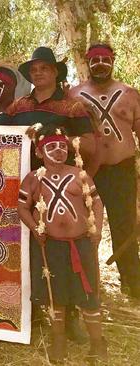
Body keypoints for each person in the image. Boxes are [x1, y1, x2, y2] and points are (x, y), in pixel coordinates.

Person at [0, 46, 96, 342]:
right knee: (34, 248)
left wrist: (53, 139)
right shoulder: (18, 107)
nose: (38, 73)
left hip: (60, 188)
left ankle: (72, 317)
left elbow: (90, 144)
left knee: (65, 251)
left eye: (44, 68)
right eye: (33, 70)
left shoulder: (72, 107)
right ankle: (40, 312)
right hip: (28, 186)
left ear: (55, 72)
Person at [18, 125, 106, 362]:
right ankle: (58, 341)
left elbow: (96, 203)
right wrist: (36, 229)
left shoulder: (80, 174)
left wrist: (96, 227)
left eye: (62, 146)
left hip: (81, 243)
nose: (58, 151)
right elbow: (22, 208)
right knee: (54, 293)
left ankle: (98, 342)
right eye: (51, 147)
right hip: (51, 247)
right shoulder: (33, 179)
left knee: (88, 292)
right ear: (39, 152)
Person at [68, 43, 140, 298]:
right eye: (95, 59)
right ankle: (86, 287)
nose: (100, 63)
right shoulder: (74, 94)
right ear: (87, 62)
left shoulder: (130, 94)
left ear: (112, 61)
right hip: (89, 170)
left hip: (122, 170)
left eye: (105, 59)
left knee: (125, 227)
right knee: (85, 228)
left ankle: (133, 285)